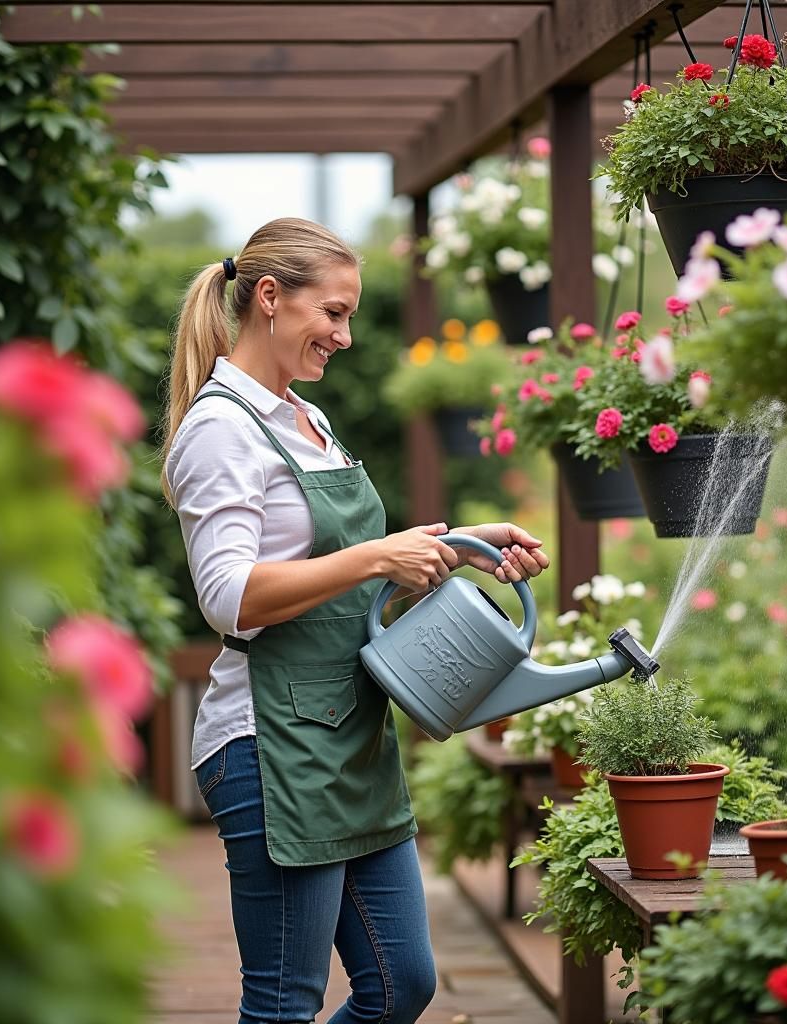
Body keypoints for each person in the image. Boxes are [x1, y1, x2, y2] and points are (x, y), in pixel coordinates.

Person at [161, 217, 550, 1024]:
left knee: (400, 983)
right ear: (269, 297)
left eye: (349, 316)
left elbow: (340, 585)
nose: (343, 335)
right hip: (270, 747)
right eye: (331, 313)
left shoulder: (307, 419)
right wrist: (379, 556)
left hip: (349, 734)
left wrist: (461, 550)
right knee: (283, 1001)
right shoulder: (221, 429)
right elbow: (228, 597)